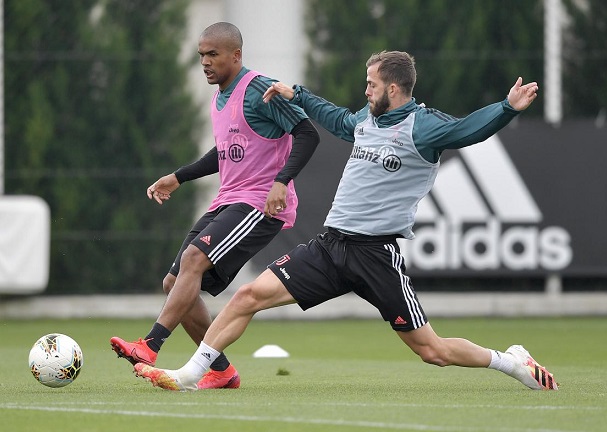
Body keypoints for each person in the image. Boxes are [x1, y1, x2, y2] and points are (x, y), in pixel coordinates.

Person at [133, 50, 558, 391]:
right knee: (247, 296)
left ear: (393, 87)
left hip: (376, 255)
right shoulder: (366, 119)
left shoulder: (421, 127)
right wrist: (295, 92)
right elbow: (334, 116)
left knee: (433, 351)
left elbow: (468, 130)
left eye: (371, 83)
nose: (366, 89)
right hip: (330, 247)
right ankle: (191, 374)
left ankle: (511, 362)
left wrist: (506, 107)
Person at [109, 22, 319, 389]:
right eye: (201, 55)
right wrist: (179, 176)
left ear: (236, 55)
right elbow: (223, 154)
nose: (205, 62)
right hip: (229, 200)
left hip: (259, 205)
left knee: (192, 260)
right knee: (173, 282)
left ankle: (151, 345)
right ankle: (221, 370)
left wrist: (281, 182)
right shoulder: (220, 97)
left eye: (213, 55)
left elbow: (307, 133)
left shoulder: (259, 89)